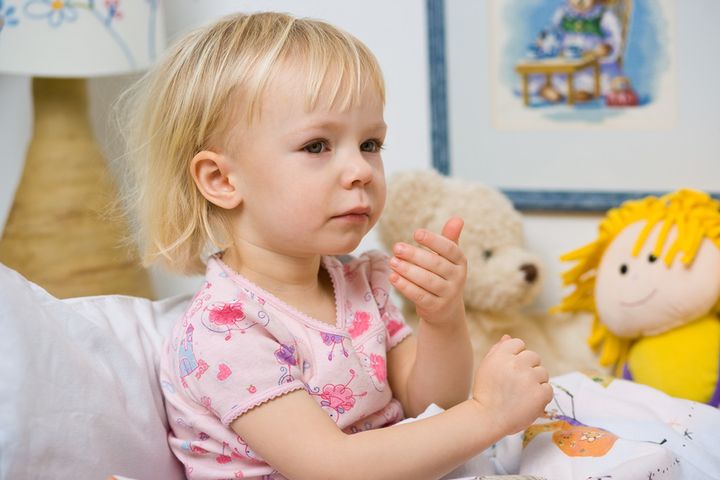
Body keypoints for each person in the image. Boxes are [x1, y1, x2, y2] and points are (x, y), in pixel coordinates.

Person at [119, 11, 553, 480]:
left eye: (370, 144)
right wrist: (488, 415)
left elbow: (432, 406)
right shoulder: (224, 331)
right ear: (221, 180)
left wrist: (443, 320)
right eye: (317, 146)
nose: (361, 170)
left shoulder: (359, 280)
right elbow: (331, 467)